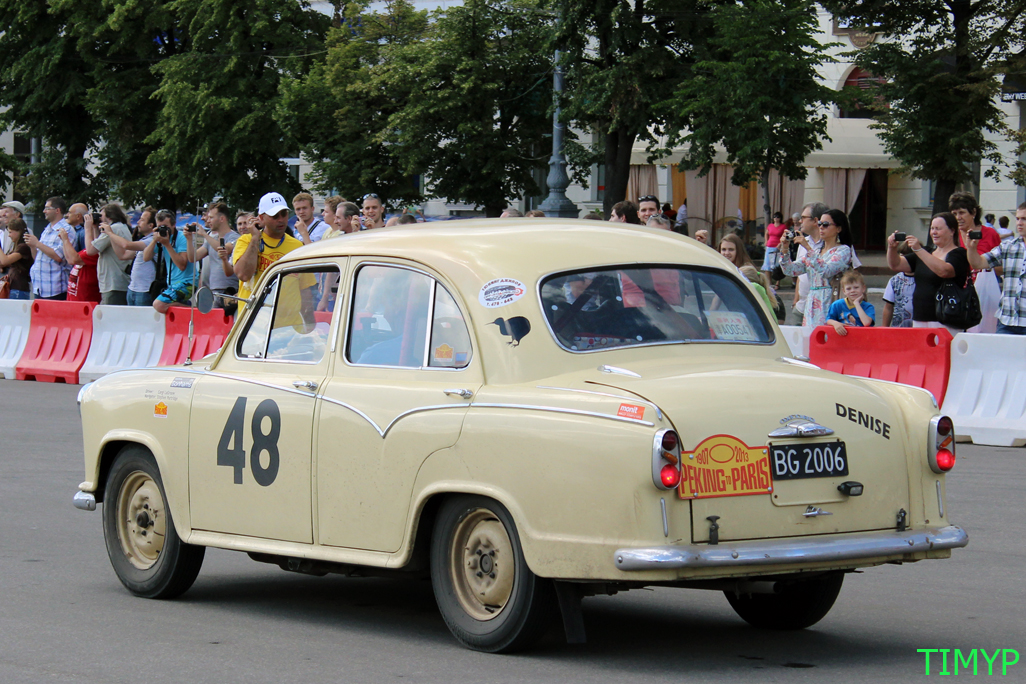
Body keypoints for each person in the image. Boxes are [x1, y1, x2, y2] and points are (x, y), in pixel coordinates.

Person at [886, 212, 970, 335]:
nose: (934, 232)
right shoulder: (926, 252)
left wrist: (918, 250)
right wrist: (891, 248)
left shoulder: (959, 254)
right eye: (932, 228)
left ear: (952, 231)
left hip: (946, 318)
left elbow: (945, 271)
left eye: (938, 229)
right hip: (920, 316)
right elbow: (896, 264)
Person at [780, 208, 855, 330]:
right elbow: (790, 270)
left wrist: (807, 248)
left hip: (830, 299)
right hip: (812, 301)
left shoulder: (843, 250)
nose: (821, 227)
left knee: (826, 337)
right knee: (811, 338)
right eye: (819, 224)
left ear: (839, 228)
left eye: (825, 225)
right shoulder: (816, 252)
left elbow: (826, 271)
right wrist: (784, 248)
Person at [965, 202, 1026, 334]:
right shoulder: (1008, 246)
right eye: (1017, 218)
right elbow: (978, 263)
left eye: (1024, 219)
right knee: (1000, 355)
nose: (1019, 223)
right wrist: (971, 248)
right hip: (1007, 321)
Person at [233, 192, 306, 301]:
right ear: (261, 218)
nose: (281, 219)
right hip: (256, 315)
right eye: (275, 216)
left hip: (289, 316)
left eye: (284, 214)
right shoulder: (246, 240)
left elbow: (305, 288)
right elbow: (243, 275)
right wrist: (255, 238)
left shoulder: (297, 245)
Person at [188, 201, 239, 309]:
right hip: (213, 291)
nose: (208, 220)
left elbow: (224, 249)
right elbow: (193, 258)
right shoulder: (211, 239)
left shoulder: (234, 237)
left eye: (211, 217)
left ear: (222, 219)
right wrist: (188, 239)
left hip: (231, 291)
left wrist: (205, 235)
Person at [144, 209, 196, 314]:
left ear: (173, 225)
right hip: (173, 283)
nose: (164, 230)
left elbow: (182, 265)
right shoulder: (161, 238)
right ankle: (188, 309)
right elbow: (146, 257)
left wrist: (167, 245)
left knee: (158, 304)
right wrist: (154, 240)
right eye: (160, 227)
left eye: (166, 227)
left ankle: (193, 310)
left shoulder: (181, 237)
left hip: (187, 282)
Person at [25, 196, 74, 300]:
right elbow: (38, 257)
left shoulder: (66, 230)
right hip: (40, 287)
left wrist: (37, 243)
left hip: (55, 289)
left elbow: (58, 257)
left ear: (57, 210)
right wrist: (32, 246)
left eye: (47, 208)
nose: (44, 211)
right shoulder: (47, 229)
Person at [789, 201, 829, 326]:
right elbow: (799, 272)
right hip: (801, 307)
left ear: (815, 221)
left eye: (803, 217)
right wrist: (796, 300)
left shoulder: (834, 245)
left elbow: (853, 273)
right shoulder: (804, 242)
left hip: (823, 308)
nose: (800, 221)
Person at [89, 203, 133, 305]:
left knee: (110, 317)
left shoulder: (113, 229)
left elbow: (91, 250)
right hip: (117, 281)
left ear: (109, 216)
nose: (100, 218)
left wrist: (87, 228)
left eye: (102, 215)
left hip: (113, 283)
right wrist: (95, 228)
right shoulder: (121, 227)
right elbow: (100, 247)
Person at [58, 219, 101, 303]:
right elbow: (69, 259)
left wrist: (66, 239)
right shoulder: (86, 251)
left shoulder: (94, 253)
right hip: (74, 298)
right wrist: (64, 241)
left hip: (85, 299)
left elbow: (74, 259)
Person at [827, 270, 875, 335]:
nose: (852, 291)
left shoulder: (868, 307)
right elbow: (829, 320)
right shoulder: (837, 304)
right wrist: (836, 324)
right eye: (848, 289)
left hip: (862, 338)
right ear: (843, 291)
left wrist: (857, 303)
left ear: (863, 288)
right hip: (843, 338)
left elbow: (866, 323)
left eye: (856, 287)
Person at [881, 242, 915, 327]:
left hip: (919, 325)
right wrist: (884, 328)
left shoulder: (925, 278)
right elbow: (888, 307)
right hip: (899, 327)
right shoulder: (895, 280)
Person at [0, 217, 33, 299]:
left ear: (18, 231)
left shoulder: (23, 247)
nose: (9, 235)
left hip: (19, 288)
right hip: (14, 288)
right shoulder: (17, 246)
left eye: (10, 232)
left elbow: (5, 261)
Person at [762, 212, 786, 285]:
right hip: (769, 246)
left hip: (778, 247)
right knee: (767, 265)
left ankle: (777, 283)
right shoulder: (770, 225)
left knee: (777, 265)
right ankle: (769, 283)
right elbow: (766, 233)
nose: (776, 218)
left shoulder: (783, 226)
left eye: (778, 217)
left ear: (780, 218)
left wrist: (781, 244)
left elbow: (785, 236)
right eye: (775, 217)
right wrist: (766, 240)